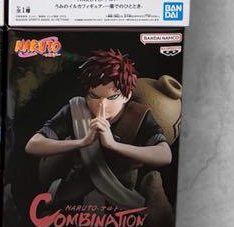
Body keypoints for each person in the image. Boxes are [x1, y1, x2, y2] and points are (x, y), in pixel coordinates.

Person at [24, 48, 171, 210]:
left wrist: (113, 145)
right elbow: (33, 145)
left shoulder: (138, 115)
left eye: (112, 97)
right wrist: (82, 142)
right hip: (74, 189)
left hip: (121, 193)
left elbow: (165, 155)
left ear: (127, 95)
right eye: (94, 96)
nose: (102, 105)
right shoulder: (76, 109)